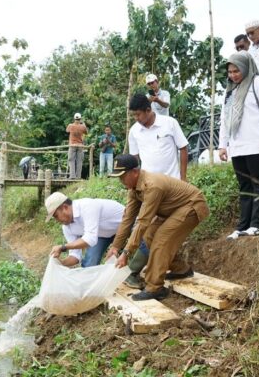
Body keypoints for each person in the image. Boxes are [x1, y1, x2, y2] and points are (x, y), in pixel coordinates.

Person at [105, 154, 209, 301]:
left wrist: (126, 253)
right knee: (148, 237)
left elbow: (143, 221)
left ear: (135, 172)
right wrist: (115, 246)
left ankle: (155, 288)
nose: (120, 180)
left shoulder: (152, 185)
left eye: (122, 176)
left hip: (191, 206)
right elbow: (127, 219)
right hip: (171, 210)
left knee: (161, 240)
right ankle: (181, 270)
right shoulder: (134, 189)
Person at [125, 93, 189, 289]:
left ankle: (135, 272)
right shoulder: (135, 131)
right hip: (149, 189)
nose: (137, 119)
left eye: (139, 115)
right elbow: (135, 163)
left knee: (153, 232)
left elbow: (183, 148)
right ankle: (178, 268)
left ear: (148, 110)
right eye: (134, 116)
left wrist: (183, 179)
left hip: (171, 188)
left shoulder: (169, 123)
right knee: (151, 232)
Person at [218, 51, 259, 241]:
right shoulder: (231, 91)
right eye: (230, 71)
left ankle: (258, 225)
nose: (233, 75)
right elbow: (224, 119)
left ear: (246, 67)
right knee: (245, 186)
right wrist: (222, 145)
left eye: (237, 70)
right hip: (239, 147)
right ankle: (242, 226)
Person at [44, 192, 123, 268]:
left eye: (56, 216)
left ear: (65, 207)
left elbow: (90, 239)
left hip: (126, 226)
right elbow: (75, 256)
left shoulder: (87, 206)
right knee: (90, 264)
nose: (56, 220)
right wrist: (60, 264)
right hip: (102, 235)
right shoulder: (67, 227)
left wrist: (63, 247)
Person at [66, 113, 88, 179]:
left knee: (71, 160)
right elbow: (86, 132)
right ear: (80, 119)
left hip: (72, 145)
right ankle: (78, 176)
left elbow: (67, 130)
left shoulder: (70, 125)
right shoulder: (83, 126)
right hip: (80, 145)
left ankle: (72, 176)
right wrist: (83, 124)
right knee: (79, 161)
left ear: (74, 118)